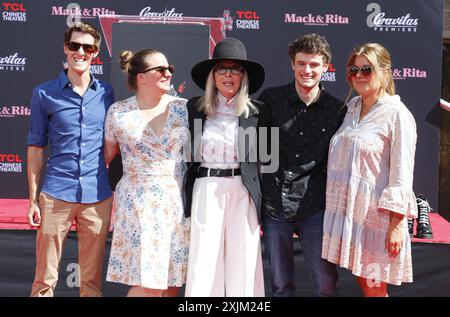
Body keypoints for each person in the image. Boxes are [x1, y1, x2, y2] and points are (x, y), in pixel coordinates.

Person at [321, 43, 418, 297]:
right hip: (350, 215)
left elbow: (402, 174)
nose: (359, 75)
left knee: (374, 286)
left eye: (367, 69)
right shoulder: (352, 107)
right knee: (364, 282)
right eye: (354, 69)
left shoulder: (397, 114)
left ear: (385, 72)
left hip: (377, 221)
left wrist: (396, 225)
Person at [26, 22, 115, 297]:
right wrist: (32, 199)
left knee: (91, 284)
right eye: (75, 46)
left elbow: (111, 143)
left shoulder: (107, 94)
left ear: (95, 53)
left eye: (87, 48)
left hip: (97, 196)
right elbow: (36, 148)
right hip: (55, 194)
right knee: (44, 281)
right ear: (66, 48)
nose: (80, 52)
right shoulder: (44, 93)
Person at [257, 34, 345, 297]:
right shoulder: (271, 99)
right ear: (292, 65)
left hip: (315, 207)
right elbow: (258, 150)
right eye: (302, 63)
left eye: (314, 64)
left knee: (326, 284)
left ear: (326, 67)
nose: (307, 70)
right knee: (281, 286)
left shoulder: (336, 109)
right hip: (275, 206)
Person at [184, 37, 270, 296]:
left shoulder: (260, 111)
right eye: (222, 68)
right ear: (213, 74)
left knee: (244, 259)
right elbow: (186, 154)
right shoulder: (194, 108)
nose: (228, 74)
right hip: (206, 187)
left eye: (235, 68)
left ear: (244, 75)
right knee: (203, 261)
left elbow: (269, 161)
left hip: (243, 191)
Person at [104, 49, 190, 297]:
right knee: (149, 281)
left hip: (176, 202)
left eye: (169, 68)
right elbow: (105, 158)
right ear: (141, 77)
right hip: (138, 204)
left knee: (172, 280)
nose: (167, 73)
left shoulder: (184, 109)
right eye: (160, 69)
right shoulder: (118, 112)